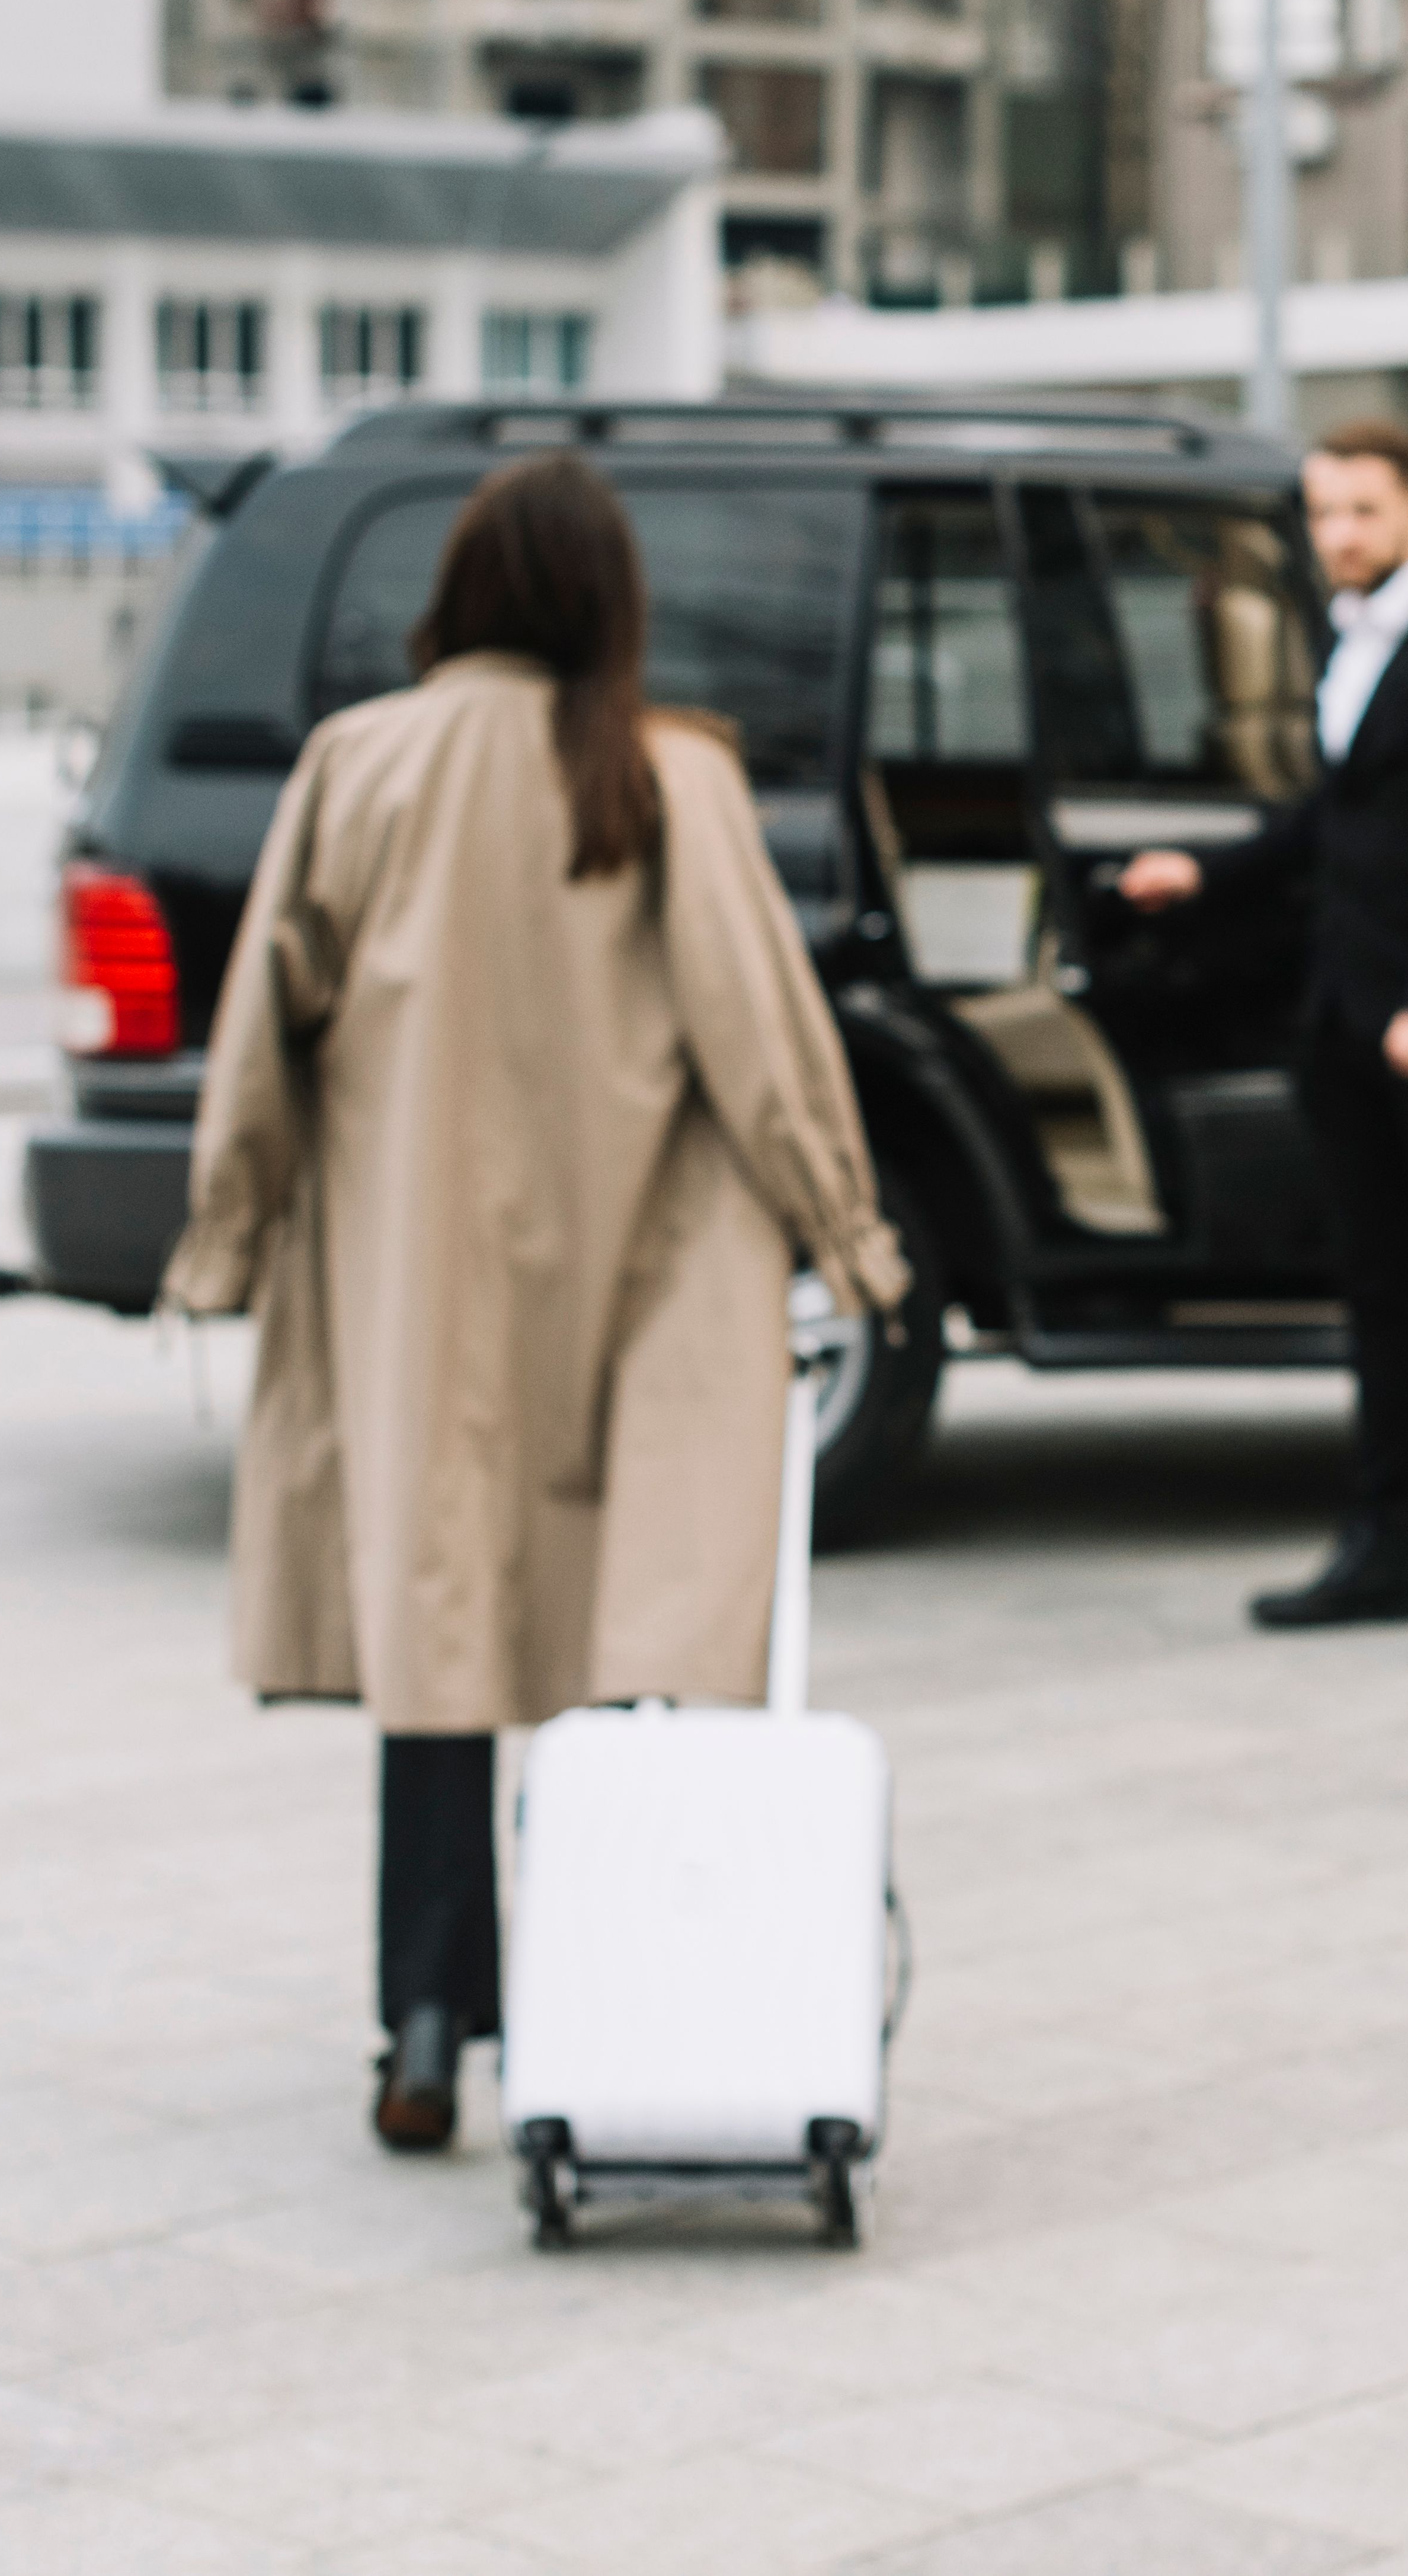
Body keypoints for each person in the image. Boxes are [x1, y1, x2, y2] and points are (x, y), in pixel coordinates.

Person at [163, 450, 911, 2155]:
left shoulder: (361, 763)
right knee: (621, 1651)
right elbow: (761, 1029)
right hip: (639, 1294)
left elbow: (263, 1026)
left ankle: (429, 2017)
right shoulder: (669, 776)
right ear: (612, 599)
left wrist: (227, 1231)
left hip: (418, 1287)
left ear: (463, 589)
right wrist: (847, 1231)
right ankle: (602, 1998)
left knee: (443, 1643)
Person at [1118, 418, 1408, 1660]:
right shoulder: (1344, 633)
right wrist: (1200, 876)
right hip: (1346, 1019)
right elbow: (1335, 819)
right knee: (1374, 1295)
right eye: (1322, 513)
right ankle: (1383, 1548)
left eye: (1362, 510)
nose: (1339, 535)